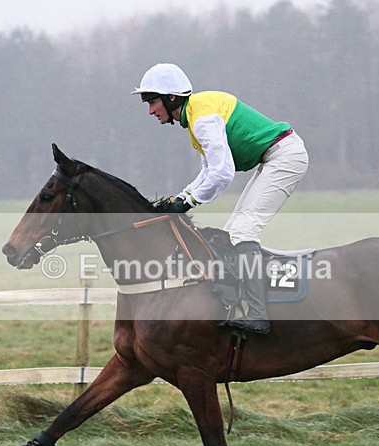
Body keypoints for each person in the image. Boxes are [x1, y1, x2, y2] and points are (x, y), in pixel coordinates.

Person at [132, 63, 309, 335]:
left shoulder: (202, 118)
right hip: (273, 157)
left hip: (284, 157)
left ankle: (259, 315)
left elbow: (222, 173)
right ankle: (244, 304)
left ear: (171, 98)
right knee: (232, 233)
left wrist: (188, 202)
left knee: (243, 231)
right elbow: (207, 171)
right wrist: (180, 198)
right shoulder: (195, 116)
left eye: (152, 102)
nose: (150, 111)